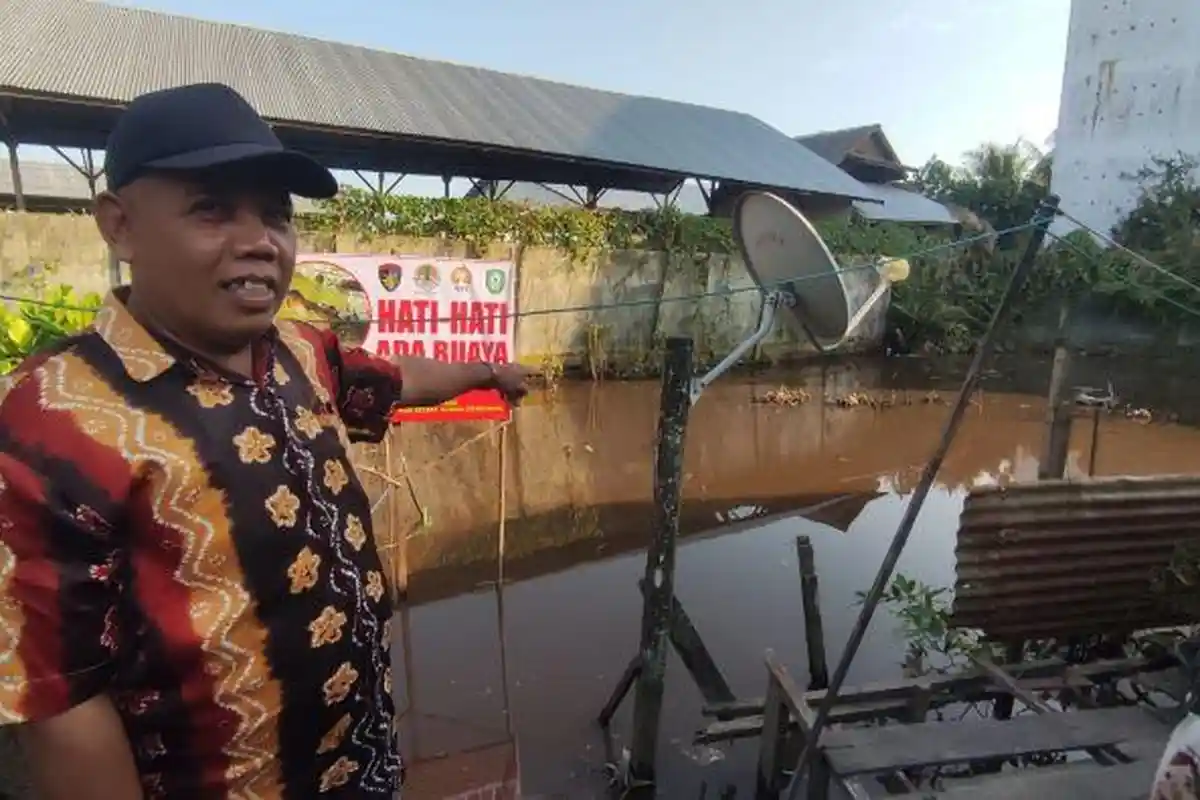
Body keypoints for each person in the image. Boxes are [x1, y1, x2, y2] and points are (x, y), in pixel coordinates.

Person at [0, 82, 532, 799]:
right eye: (211, 209)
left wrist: (488, 370)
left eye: (276, 215)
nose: (258, 241)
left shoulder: (298, 351)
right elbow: (63, 698)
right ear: (119, 226)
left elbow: (393, 380)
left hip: (364, 767)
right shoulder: (55, 418)